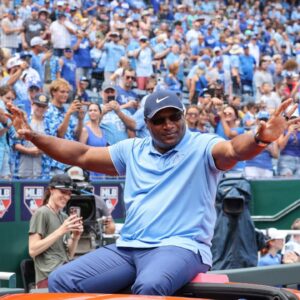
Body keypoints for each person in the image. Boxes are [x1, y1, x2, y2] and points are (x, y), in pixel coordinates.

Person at [7, 90, 299, 295]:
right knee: (61, 280)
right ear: (147, 124)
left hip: (182, 247)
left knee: (149, 287)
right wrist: (34, 136)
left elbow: (234, 149)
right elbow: (81, 154)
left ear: (183, 116)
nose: (169, 125)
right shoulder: (134, 149)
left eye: (174, 117)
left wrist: (261, 138)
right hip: (131, 247)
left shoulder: (201, 145)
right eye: (159, 120)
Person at [28, 174, 83, 288]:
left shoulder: (63, 216)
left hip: (64, 274)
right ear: (51, 190)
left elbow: (69, 255)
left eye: (69, 193)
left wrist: (75, 237)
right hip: (48, 278)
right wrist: (61, 230)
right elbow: (32, 250)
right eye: (63, 192)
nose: (67, 197)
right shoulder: (42, 212)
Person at [65, 166, 115, 234]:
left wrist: (107, 224)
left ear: (85, 181)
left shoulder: (97, 200)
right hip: (67, 239)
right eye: (72, 181)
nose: (75, 184)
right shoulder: (61, 201)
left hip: (92, 239)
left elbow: (111, 230)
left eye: (78, 181)